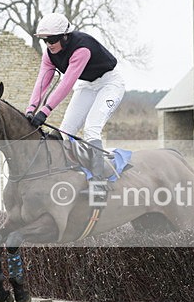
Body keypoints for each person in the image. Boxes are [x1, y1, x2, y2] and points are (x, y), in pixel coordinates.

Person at [25, 13, 125, 200]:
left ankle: (98, 184)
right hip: (87, 85)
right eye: (45, 41)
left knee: (92, 129)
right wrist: (30, 109)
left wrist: (45, 111)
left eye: (53, 39)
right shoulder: (49, 54)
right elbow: (42, 82)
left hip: (110, 84)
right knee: (65, 131)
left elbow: (67, 83)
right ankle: (66, 175)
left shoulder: (82, 48)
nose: (49, 44)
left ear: (65, 36)